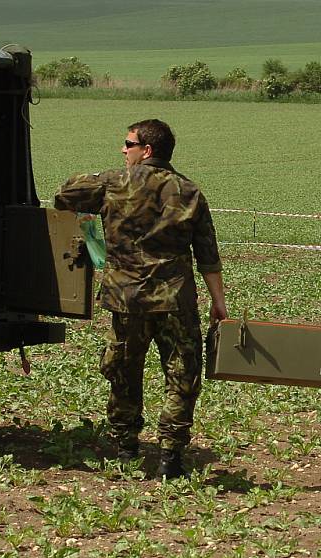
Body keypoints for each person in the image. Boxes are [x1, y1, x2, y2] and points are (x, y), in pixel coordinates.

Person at [54, 119, 227, 478]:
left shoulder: (113, 183)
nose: (123, 149)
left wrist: (108, 176)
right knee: (182, 374)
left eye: (128, 143)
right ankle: (170, 457)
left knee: (123, 372)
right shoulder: (189, 191)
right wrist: (218, 302)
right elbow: (208, 253)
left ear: (146, 150)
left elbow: (64, 195)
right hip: (175, 301)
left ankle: (125, 448)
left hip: (126, 300)